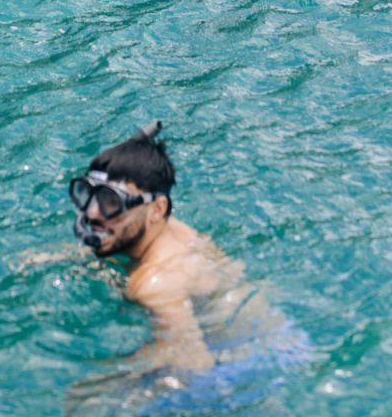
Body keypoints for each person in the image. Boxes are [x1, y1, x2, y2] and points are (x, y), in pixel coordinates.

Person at [67, 122, 307, 411]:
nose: (92, 212)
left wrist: (111, 369)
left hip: (248, 368)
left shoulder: (155, 282)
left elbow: (193, 365)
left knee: (80, 399)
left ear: (157, 210)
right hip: (283, 337)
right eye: (88, 194)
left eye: (110, 202)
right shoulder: (174, 230)